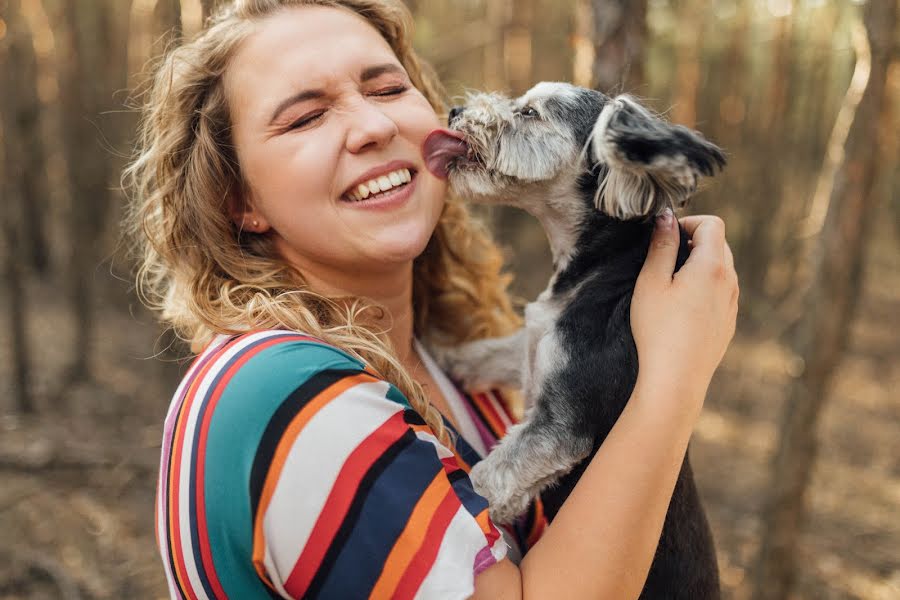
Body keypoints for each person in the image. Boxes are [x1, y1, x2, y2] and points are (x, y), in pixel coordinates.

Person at [124, 1, 739, 598]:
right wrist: (674, 376)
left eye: (388, 88)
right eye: (305, 117)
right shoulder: (282, 396)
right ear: (239, 199)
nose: (374, 125)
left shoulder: (447, 368)